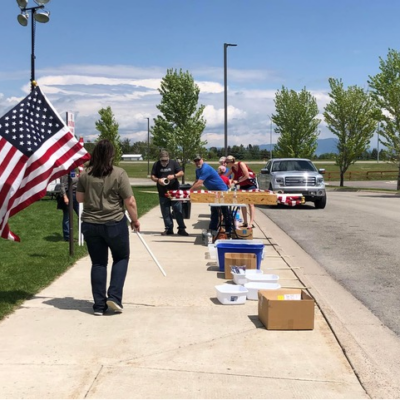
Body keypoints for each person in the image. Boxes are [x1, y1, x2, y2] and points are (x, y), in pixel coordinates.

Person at [76, 139, 140, 316]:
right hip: (114, 223)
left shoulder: (85, 175)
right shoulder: (119, 173)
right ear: (111, 155)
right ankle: (114, 296)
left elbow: (80, 199)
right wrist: (135, 220)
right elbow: (130, 201)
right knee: (121, 258)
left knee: (98, 263)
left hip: (90, 223)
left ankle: (98, 305)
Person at [190, 155, 232, 237]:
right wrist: (190, 190)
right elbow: (196, 181)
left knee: (225, 211)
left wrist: (189, 191)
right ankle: (213, 229)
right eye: (195, 161)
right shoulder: (198, 170)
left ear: (202, 159)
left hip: (222, 191)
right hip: (213, 192)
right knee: (214, 211)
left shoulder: (205, 168)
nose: (197, 162)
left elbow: (199, 183)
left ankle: (228, 230)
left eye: (198, 160)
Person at [151, 150, 188, 236]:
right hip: (162, 192)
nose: (164, 162)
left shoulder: (173, 163)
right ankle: (168, 229)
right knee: (165, 212)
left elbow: (181, 172)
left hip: (174, 191)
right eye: (162, 160)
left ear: (168, 158)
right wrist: (158, 180)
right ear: (160, 159)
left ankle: (181, 229)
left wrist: (174, 176)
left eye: (165, 160)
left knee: (178, 210)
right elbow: (152, 176)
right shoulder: (156, 164)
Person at [225, 155, 258, 228]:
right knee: (242, 203)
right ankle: (245, 222)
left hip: (250, 185)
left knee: (250, 203)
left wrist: (238, 181)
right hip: (242, 185)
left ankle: (251, 222)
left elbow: (246, 175)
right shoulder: (233, 168)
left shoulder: (241, 164)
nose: (226, 164)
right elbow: (226, 176)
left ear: (231, 162)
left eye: (227, 163)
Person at [59, 172, 79, 242]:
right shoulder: (64, 172)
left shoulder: (75, 171)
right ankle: (67, 236)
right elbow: (62, 185)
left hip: (76, 194)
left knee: (81, 215)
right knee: (67, 217)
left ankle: (83, 234)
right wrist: (65, 197)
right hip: (68, 194)